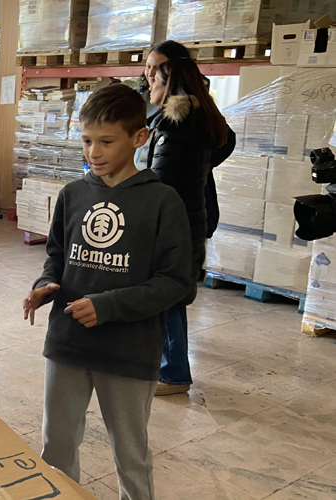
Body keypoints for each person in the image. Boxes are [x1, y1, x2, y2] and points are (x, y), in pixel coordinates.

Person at [24, 84, 192, 499]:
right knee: (56, 448)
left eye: (106, 141)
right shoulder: (73, 194)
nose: (93, 153)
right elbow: (57, 256)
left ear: (139, 138)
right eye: (86, 141)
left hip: (128, 352)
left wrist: (108, 306)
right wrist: (45, 285)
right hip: (67, 344)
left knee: (130, 455)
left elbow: (177, 283)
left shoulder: (162, 202)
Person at [145, 55, 232, 396]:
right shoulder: (201, 119)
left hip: (172, 225)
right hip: (190, 221)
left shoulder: (174, 126)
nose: (149, 82)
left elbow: (160, 184)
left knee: (167, 296)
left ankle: (174, 373)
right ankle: (168, 368)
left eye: (155, 79)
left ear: (169, 84)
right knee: (173, 294)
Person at [142, 40, 235, 238]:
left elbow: (161, 182)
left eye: (157, 68)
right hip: (187, 214)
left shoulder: (179, 118)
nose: (150, 74)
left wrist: (194, 164)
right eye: (148, 67)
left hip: (174, 217)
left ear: (174, 71)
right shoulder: (150, 101)